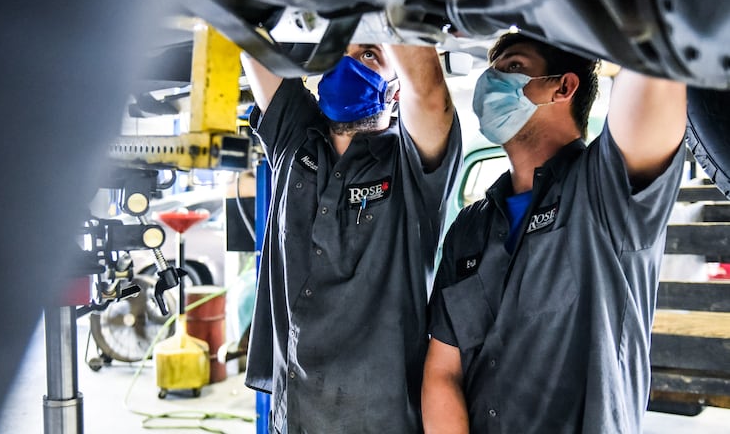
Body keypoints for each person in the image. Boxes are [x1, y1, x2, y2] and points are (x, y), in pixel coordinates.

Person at [423, 32, 686, 433]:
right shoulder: (471, 228)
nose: (490, 83)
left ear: (563, 87)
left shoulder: (605, 189)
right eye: (491, 71)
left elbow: (653, 66)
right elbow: (443, 371)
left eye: (513, 67)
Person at [241, 43, 462, 433]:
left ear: (395, 89)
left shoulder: (412, 164)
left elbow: (428, 95)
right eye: (339, 53)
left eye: (369, 54)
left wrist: (382, 13)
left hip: (378, 422)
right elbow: (254, 50)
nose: (347, 63)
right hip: (292, 418)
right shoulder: (295, 140)